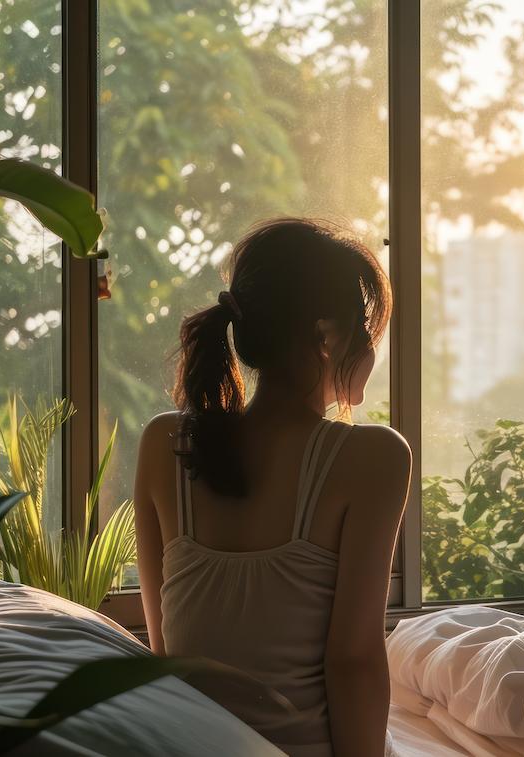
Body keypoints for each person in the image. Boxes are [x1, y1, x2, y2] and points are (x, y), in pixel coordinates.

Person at [132, 218, 410, 757]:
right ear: (328, 336)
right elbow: (353, 662)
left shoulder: (164, 442)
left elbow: (165, 645)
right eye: (369, 331)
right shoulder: (373, 456)